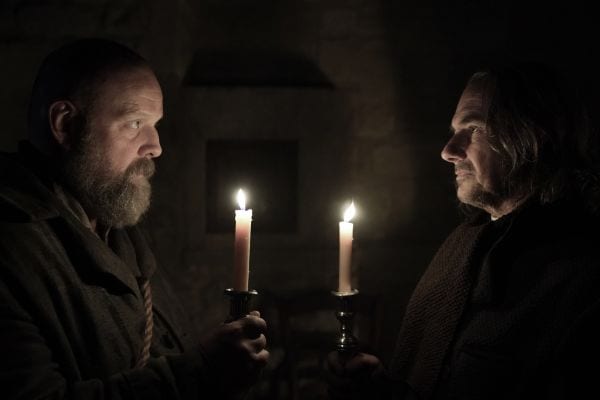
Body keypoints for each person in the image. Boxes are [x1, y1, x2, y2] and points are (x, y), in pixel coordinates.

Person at [0, 38, 268, 399]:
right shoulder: (14, 246)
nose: (156, 146)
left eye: (155, 124)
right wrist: (201, 371)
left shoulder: (117, 234)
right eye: (134, 123)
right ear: (65, 124)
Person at [327, 63, 600, 399]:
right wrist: (379, 388)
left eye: (473, 128)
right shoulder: (462, 246)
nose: (448, 151)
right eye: (454, 130)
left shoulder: (581, 274)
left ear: (533, 136)